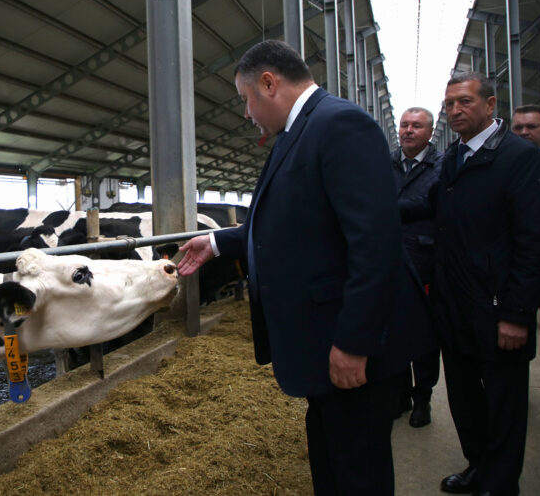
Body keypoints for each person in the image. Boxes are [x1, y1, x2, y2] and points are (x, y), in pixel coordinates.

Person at [177, 39, 432, 496]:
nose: (247, 114)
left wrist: (354, 343)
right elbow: (297, 223)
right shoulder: (300, 131)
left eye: (245, 99)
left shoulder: (340, 125)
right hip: (320, 342)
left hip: (348, 344)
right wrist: (217, 242)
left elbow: (374, 243)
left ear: (269, 83)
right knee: (332, 459)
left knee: (358, 471)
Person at [401, 71, 540, 495]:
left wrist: (518, 314)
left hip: (498, 310)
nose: (456, 110)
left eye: (465, 101)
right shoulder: (454, 158)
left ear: (490, 105)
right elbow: (429, 205)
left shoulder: (519, 158)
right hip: (455, 305)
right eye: (450, 104)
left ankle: (500, 485)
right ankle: (478, 467)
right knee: (465, 400)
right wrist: (371, 210)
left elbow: (533, 242)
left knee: (503, 405)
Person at [391, 107, 443, 428]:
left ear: (430, 131)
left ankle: (422, 396)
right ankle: (399, 394)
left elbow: (434, 205)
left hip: (425, 260)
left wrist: (385, 209)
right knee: (393, 331)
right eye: (404, 125)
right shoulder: (384, 162)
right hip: (388, 258)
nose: (409, 130)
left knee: (424, 334)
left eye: (416, 126)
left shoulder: (442, 165)